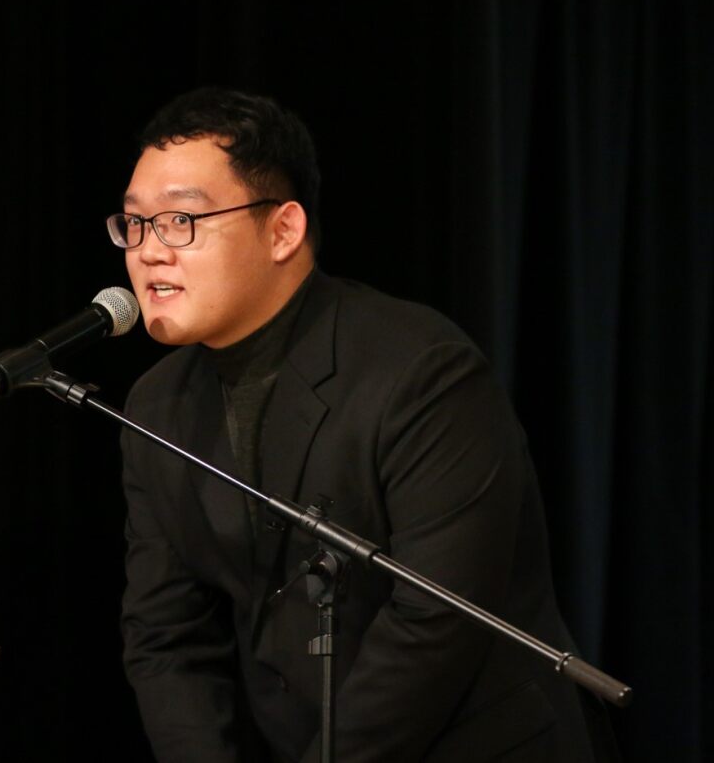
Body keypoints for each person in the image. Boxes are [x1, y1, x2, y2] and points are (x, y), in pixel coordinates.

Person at [111, 88, 615, 761]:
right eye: (134, 223)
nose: (148, 251)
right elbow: (166, 636)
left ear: (283, 230)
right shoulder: (156, 405)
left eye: (181, 221)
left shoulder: (420, 370)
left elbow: (434, 622)